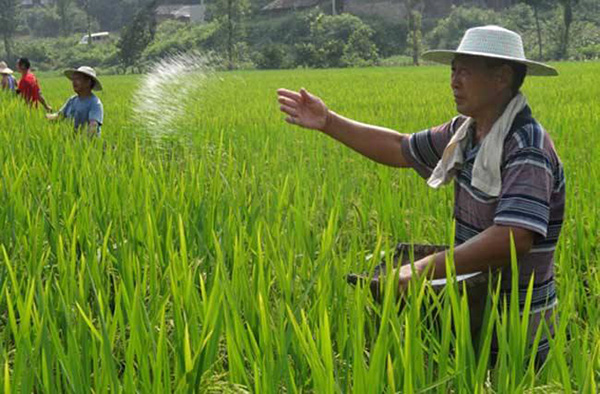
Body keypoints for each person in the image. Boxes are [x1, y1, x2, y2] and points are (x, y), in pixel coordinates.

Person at [277, 26, 564, 365]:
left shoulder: (525, 145)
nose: (454, 81)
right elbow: (401, 148)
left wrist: (422, 270)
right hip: (474, 303)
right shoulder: (467, 131)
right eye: (453, 70)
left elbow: (514, 238)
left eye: (465, 72)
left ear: (501, 77)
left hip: (518, 322)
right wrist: (329, 122)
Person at [46, 66, 104, 137]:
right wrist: (43, 119)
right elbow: (59, 116)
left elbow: (93, 127)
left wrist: (80, 142)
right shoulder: (72, 100)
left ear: (88, 82)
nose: (74, 82)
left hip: (87, 144)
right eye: (73, 79)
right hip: (72, 140)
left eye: (78, 79)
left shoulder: (95, 103)